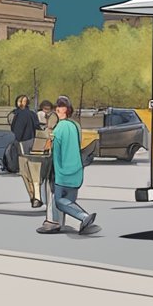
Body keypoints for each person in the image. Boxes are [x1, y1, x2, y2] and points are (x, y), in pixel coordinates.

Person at [37, 96, 98, 235]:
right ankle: (72, 222)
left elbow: (53, 149)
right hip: (76, 170)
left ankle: (81, 218)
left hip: (62, 172)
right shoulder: (76, 126)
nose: (58, 108)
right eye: (57, 106)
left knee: (58, 200)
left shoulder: (59, 127)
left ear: (67, 109)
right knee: (69, 201)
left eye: (61, 106)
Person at [10, 95, 45, 208]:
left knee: (25, 173)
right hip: (34, 143)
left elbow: (16, 131)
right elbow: (37, 127)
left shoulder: (18, 115)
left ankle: (33, 196)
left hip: (22, 145)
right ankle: (37, 196)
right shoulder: (32, 114)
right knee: (35, 172)